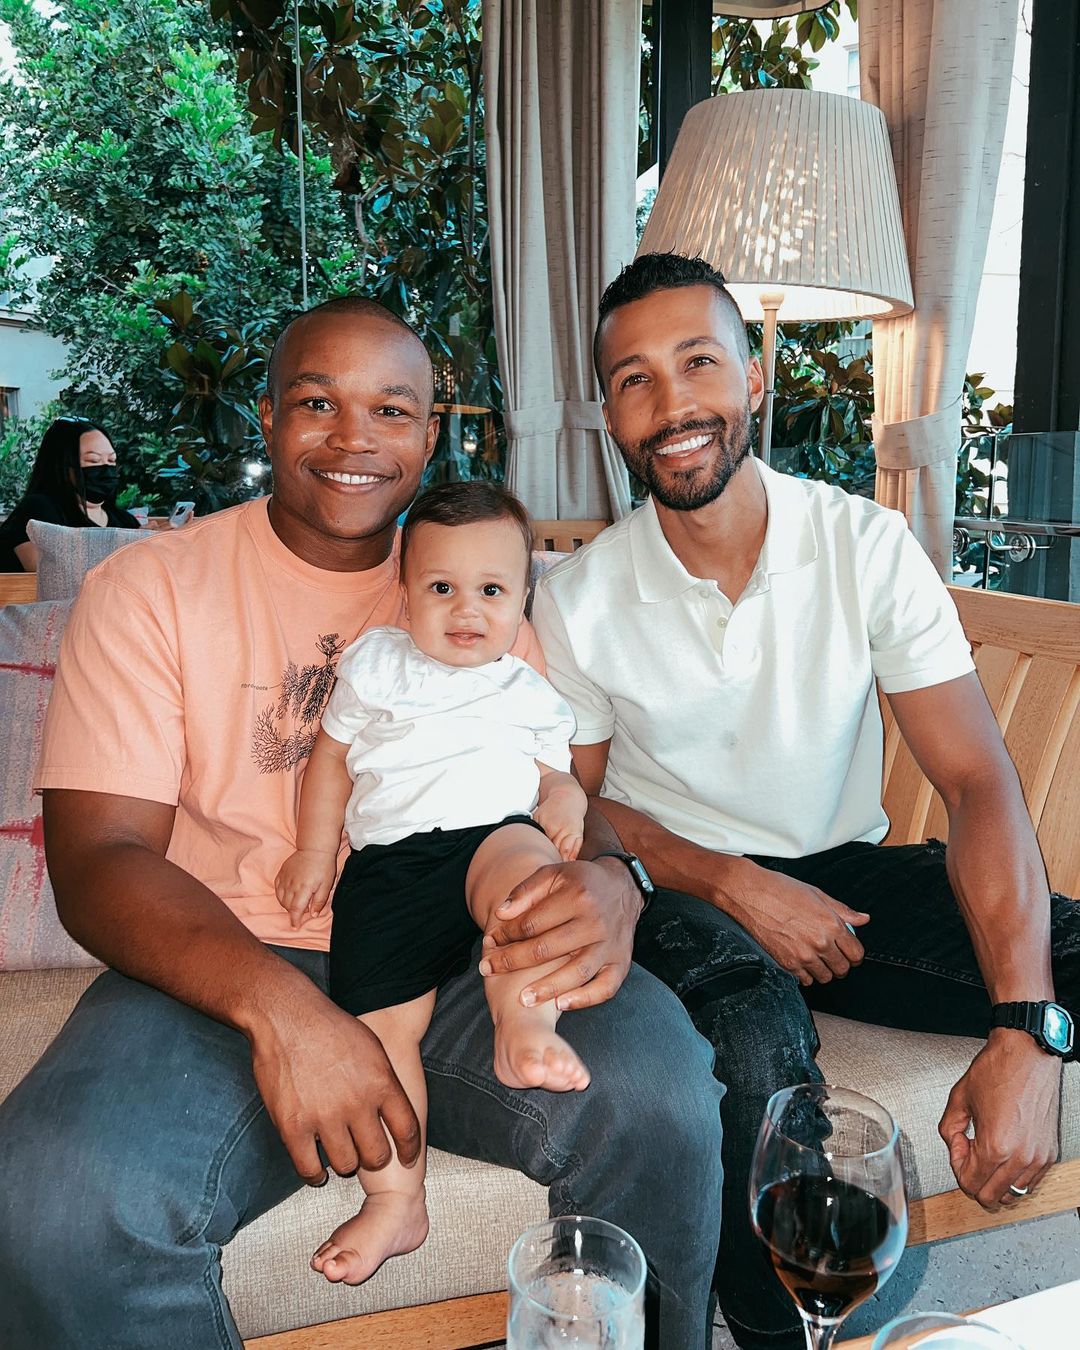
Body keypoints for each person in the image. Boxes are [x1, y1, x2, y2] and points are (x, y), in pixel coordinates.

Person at [0, 294, 724, 1350]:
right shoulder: (152, 587)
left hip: (463, 953)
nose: (354, 439)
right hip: (221, 965)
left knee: (659, 1092)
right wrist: (284, 1015)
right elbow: (98, 859)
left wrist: (618, 883)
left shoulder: (472, 584)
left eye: (391, 410)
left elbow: (552, 784)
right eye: (316, 403)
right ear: (266, 418)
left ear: (429, 436)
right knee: (55, 1204)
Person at [478, 252, 1079, 1350]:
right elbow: (582, 810)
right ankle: (780, 1334)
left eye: (698, 362)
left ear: (755, 376)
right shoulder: (582, 600)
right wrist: (731, 882)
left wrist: (1026, 1031)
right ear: (610, 416)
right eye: (634, 380)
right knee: (756, 1039)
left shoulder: (863, 545)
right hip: (674, 886)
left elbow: (976, 780)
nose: (671, 405)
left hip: (843, 878)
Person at [275, 480, 592, 1286]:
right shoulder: (377, 664)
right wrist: (314, 852)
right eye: (442, 587)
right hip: (390, 868)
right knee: (379, 1035)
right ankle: (396, 1198)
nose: (466, 610)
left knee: (529, 897)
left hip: (492, 841)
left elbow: (556, 775)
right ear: (406, 588)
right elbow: (331, 760)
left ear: (522, 598)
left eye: (491, 591)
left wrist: (564, 799)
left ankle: (523, 1027)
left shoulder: (526, 689)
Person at [0, 416, 139, 571]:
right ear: (62, 466)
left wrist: (152, 541)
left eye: (111, 461)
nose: (106, 469)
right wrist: (131, 545)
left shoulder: (126, 522)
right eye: (93, 461)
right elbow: (51, 575)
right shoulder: (38, 511)